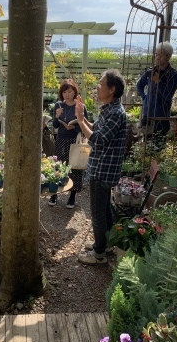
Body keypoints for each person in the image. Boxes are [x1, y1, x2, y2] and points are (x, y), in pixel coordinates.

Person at [75, 69, 127, 265]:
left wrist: (80, 121)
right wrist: (83, 117)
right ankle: (104, 243)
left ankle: (98, 254)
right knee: (104, 209)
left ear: (112, 89)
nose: (97, 87)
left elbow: (98, 140)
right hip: (102, 169)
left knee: (97, 213)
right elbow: (96, 128)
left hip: (102, 171)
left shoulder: (116, 113)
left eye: (100, 84)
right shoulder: (109, 109)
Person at [49, 79, 88, 208]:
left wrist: (74, 127)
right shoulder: (59, 105)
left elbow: (85, 126)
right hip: (61, 139)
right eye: (64, 92)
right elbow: (54, 125)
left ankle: (72, 196)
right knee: (58, 165)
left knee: (75, 167)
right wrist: (56, 116)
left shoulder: (80, 106)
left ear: (74, 92)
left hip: (74, 140)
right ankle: (54, 194)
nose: (67, 94)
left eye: (69, 91)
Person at [136, 41, 177, 146]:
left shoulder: (174, 75)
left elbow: (168, 96)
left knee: (158, 147)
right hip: (147, 115)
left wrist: (158, 82)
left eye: (159, 55)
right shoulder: (151, 71)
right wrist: (145, 97)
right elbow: (139, 85)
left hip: (161, 118)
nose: (156, 57)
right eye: (156, 54)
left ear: (168, 56)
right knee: (145, 147)